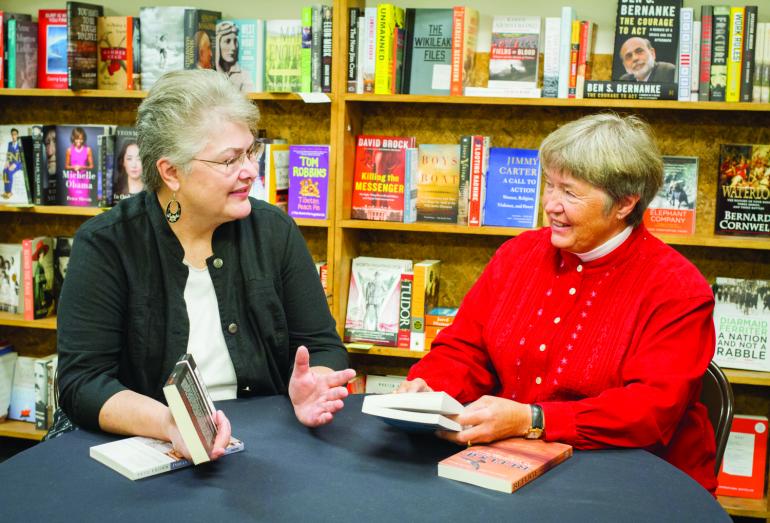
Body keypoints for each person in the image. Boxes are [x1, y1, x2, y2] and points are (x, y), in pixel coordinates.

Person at [398, 113, 718, 494]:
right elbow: (466, 348)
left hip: (632, 479)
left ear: (624, 204)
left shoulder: (678, 289)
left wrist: (533, 418)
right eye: (550, 185)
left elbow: (650, 409)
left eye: (570, 192)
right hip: (509, 463)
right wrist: (429, 386)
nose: (551, 204)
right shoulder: (517, 255)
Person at [56, 69, 355, 460]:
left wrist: (312, 383)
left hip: (266, 441)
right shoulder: (107, 244)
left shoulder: (274, 231)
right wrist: (168, 423)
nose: (250, 170)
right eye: (230, 160)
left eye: (251, 151)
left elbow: (320, 346)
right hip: (147, 444)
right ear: (171, 172)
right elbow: (83, 382)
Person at [215, 22, 253, 92]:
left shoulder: (245, 75)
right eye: (227, 41)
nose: (233, 47)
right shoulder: (209, 73)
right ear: (217, 45)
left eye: (235, 41)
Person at [2, 128, 21, 199]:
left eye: (15, 134)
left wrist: (15, 164)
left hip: (19, 163)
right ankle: (6, 191)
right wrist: (7, 162)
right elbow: (8, 154)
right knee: (4, 171)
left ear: (18, 135)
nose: (13, 136)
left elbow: (23, 157)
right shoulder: (9, 144)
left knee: (9, 172)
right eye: (12, 135)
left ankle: (9, 192)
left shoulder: (20, 143)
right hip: (11, 162)